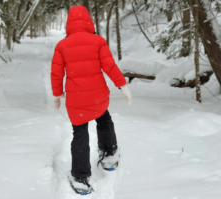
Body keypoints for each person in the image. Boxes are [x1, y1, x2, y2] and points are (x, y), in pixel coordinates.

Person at [50, 5, 132, 194]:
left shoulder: (62, 45)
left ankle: (80, 177)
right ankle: (110, 154)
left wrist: (57, 95)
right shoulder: (98, 41)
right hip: (98, 96)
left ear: (69, 25)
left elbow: (56, 73)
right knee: (104, 120)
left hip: (76, 100)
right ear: (89, 22)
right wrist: (122, 86)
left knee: (80, 133)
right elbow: (110, 66)